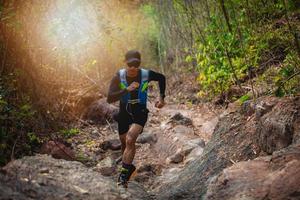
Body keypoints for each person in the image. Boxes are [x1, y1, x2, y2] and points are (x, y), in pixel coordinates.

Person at [107, 50, 166, 187]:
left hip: (140, 111)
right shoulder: (118, 76)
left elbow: (162, 77)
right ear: (125, 64)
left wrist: (162, 97)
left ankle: (122, 178)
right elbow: (110, 98)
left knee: (130, 138)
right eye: (130, 64)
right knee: (124, 143)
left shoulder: (146, 74)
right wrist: (126, 89)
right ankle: (128, 168)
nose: (133, 67)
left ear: (139, 64)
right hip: (124, 111)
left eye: (136, 64)